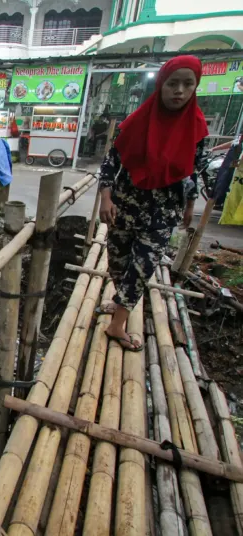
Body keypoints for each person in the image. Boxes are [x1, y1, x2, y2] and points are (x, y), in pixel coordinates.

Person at [97, 55, 208, 350]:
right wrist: (105, 197)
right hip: (125, 206)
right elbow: (111, 163)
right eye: (173, 84)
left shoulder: (196, 129)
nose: (180, 91)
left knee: (142, 267)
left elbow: (193, 171)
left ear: (195, 87)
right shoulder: (136, 123)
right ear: (161, 86)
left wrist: (189, 205)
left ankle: (117, 325)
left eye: (188, 84)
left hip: (163, 212)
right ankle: (120, 303)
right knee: (118, 262)